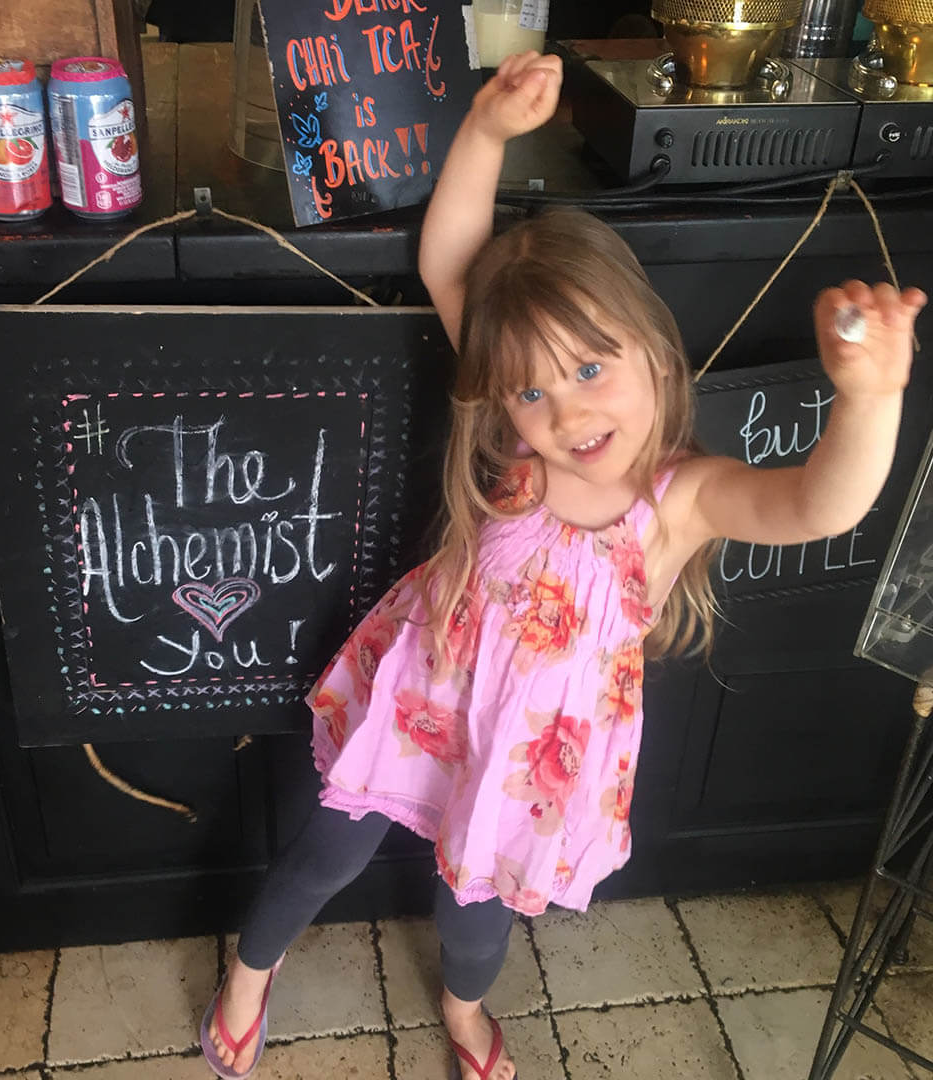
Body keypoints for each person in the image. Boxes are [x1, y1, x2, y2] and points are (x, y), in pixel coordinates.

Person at [200, 52, 926, 1080]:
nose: (568, 410)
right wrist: (487, 131)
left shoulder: (683, 499)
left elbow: (821, 505)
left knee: (476, 915)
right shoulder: (517, 442)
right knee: (325, 852)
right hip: (420, 698)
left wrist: (871, 397)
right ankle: (249, 973)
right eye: (534, 390)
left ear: (656, 352)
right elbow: (450, 265)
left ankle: (462, 1011)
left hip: (526, 756)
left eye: (591, 367)